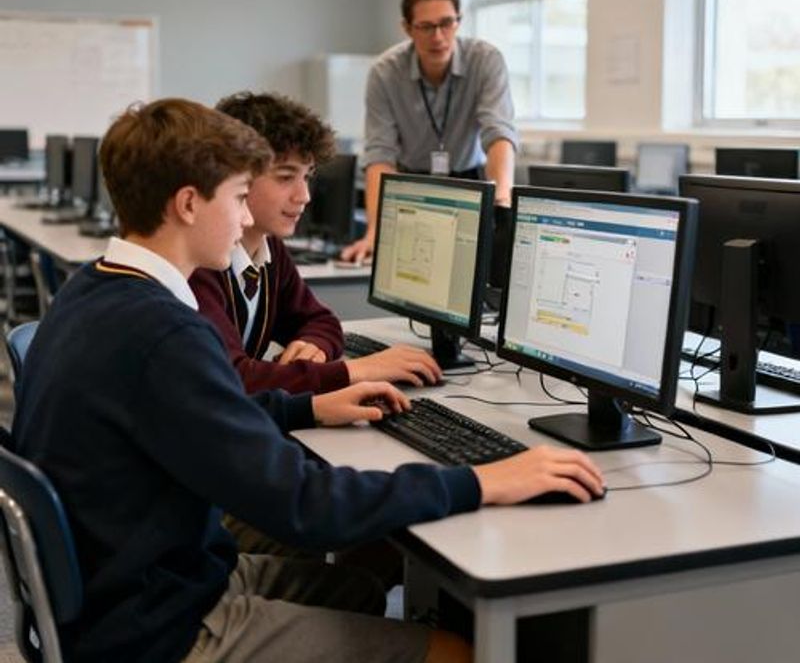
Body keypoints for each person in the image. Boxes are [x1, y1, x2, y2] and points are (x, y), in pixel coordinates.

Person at [12, 98, 605, 663]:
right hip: (157, 627)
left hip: (136, 579)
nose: (249, 218)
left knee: (360, 589)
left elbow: (195, 418)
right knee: (461, 653)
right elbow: (303, 504)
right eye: (239, 197)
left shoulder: (94, 289)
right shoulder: (165, 333)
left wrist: (308, 409)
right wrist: (481, 480)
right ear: (188, 204)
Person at [190, 90, 442, 396]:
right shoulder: (201, 261)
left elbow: (322, 321)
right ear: (236, 174)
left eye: (307, 177)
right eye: (285, 177)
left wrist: (315, 345)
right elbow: (234, 379)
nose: (304, 196)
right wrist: (355, 371)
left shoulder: (269, 251)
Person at [342, 0, 517, 263]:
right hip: (411, 184)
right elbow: (380, 155)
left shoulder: (485, 60)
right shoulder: (385, 72)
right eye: (426, 27)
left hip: (470, 180)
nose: (438, 37)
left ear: (458, 20)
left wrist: (502, 199)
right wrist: (376, 231)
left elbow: (498, 133)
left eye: (446, 23)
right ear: (407, 28)